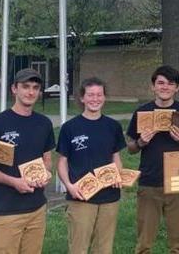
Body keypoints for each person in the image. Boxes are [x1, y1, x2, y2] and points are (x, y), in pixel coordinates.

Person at [0, 68, 55, 254]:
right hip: (7, 209)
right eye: (25, 86)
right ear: (14, 89)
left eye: (35, 87)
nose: (31, 92)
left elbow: (47, 158)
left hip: (37, 208)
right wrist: (14, 182)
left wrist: (46, 173)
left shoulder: (44, 123)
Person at [127, 66, 179, 254]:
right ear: (153, 87)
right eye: (160, 83)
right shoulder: (143, 112)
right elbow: (130, 148)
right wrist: (141, 141)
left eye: (170, 83)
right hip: (150, 181)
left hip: (178, 181)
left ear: (177, 88)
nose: (165, 87)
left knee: (178, 243)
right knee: (144, 242)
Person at [56, 77, 126, 254]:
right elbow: (62, 162)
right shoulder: (70, 127)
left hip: (109, 196)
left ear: (104, 97)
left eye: (99, 95)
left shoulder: (113, 126)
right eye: (90, 95)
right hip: (81, 196)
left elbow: (115, 156)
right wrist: (69, 186)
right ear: (82, 98)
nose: (95, 99)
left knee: (103, 248)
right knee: (79, 248)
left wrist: (119, 174)